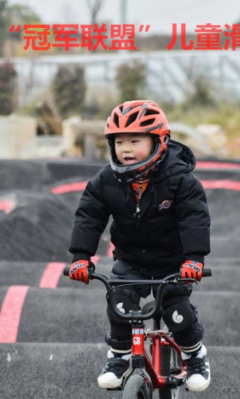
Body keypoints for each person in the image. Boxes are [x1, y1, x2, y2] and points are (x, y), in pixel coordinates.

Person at [67, 100, 211, 392]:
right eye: (119, 142)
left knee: (177, 313)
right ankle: (119, 358)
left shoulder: (179, 179)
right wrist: (81, 257)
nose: (126, 149)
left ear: (160, 141)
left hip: (173, 262)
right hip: (131, 259)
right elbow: (89, 216)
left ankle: (195, 356)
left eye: (135, 141)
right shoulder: (106, 180)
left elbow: (194, 218)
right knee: (119, 305)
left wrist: (194, 259)